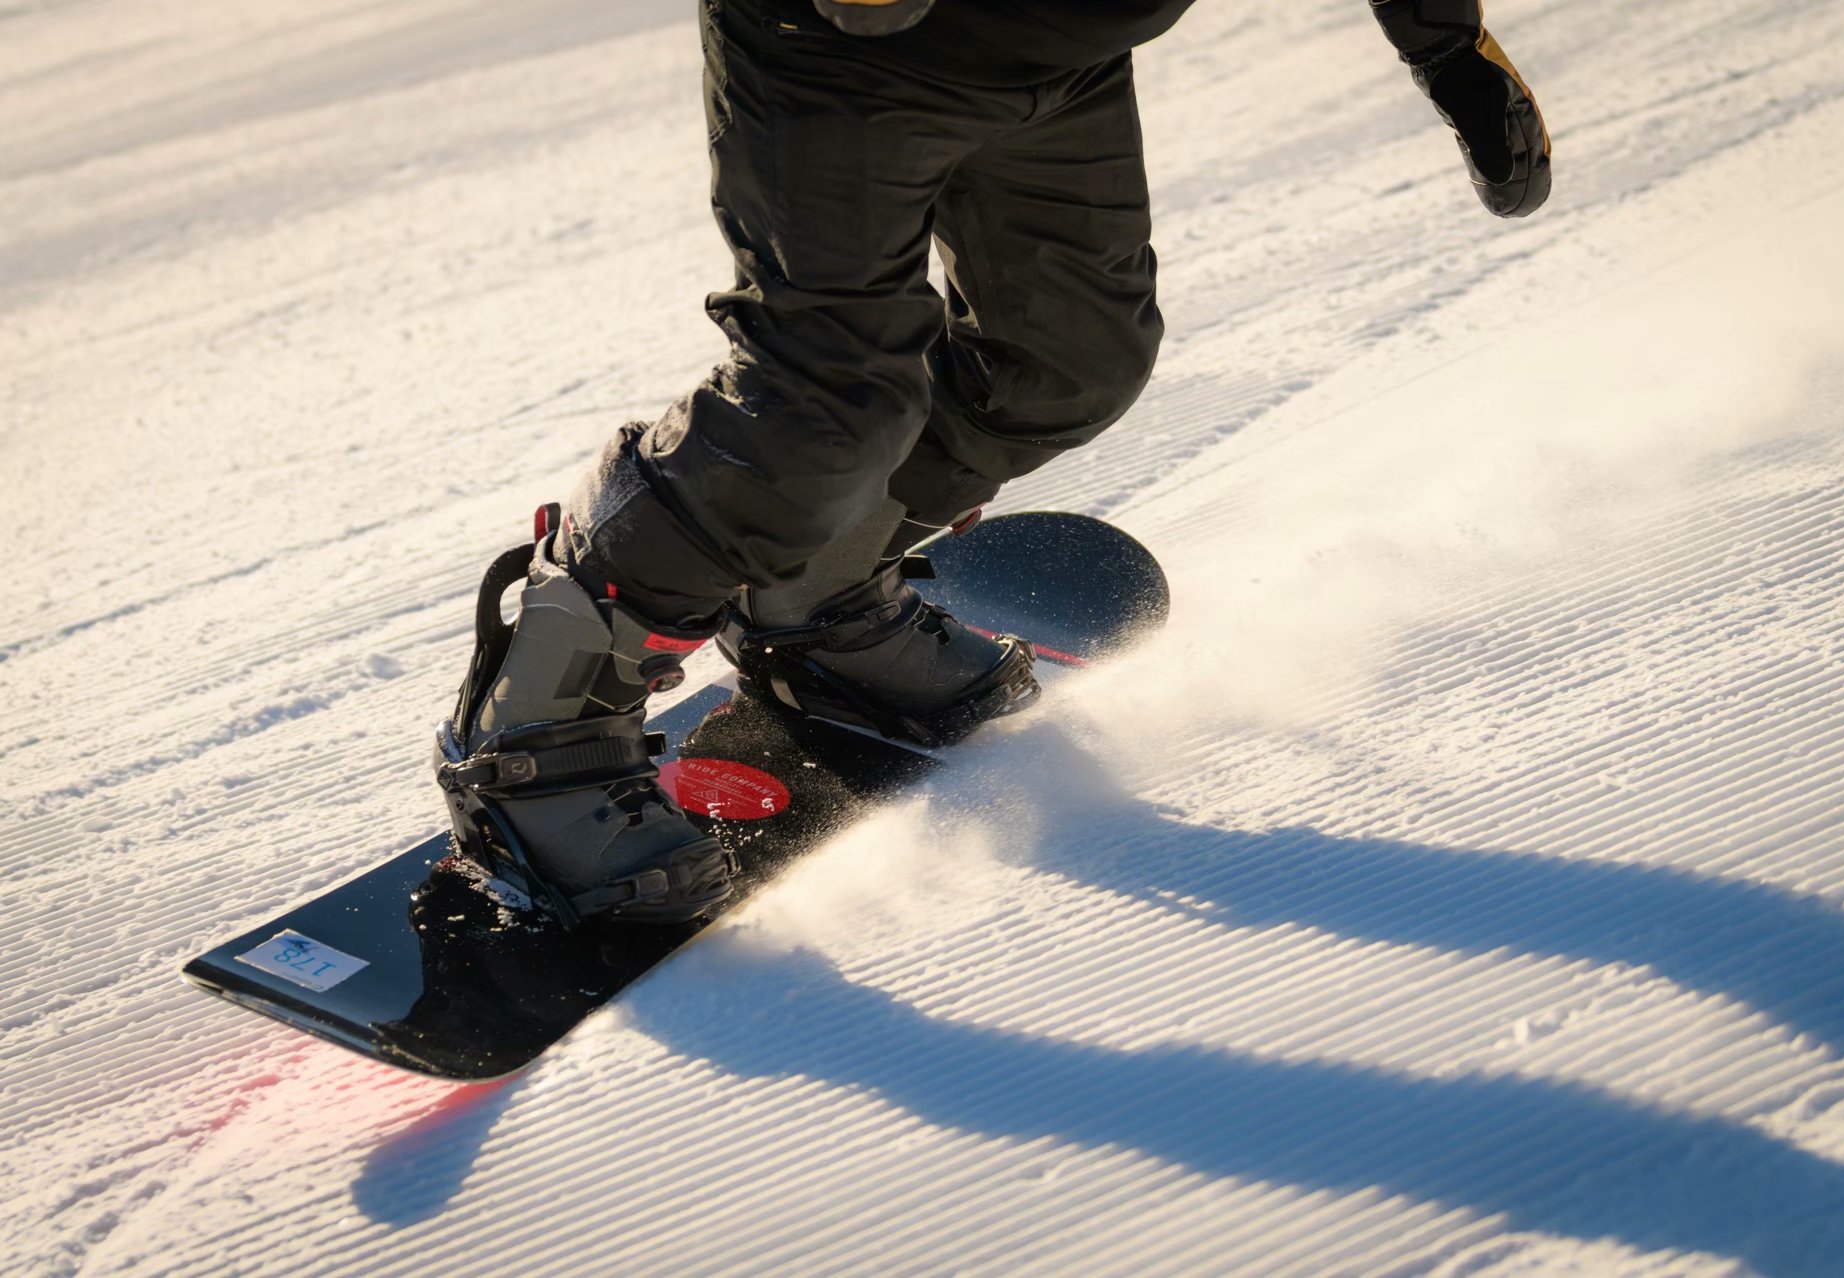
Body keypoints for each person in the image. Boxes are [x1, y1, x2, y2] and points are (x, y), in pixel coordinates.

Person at [431, 0, 1553, 926]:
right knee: (826, 397)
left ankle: (813, 597)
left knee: (1067, 361)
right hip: (848, 47)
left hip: (1064, 48)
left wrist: (1445, 43)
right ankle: (536, 730)